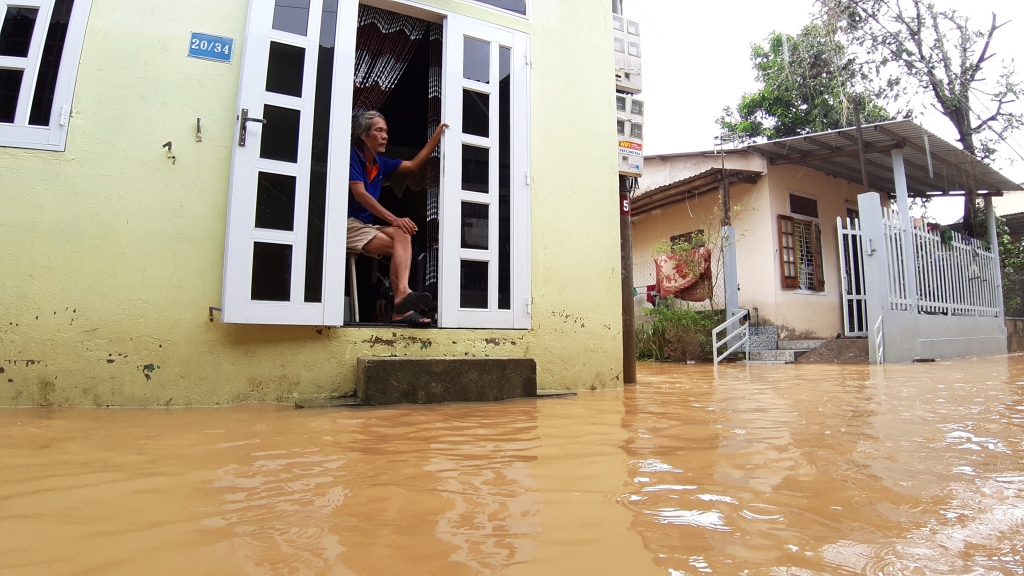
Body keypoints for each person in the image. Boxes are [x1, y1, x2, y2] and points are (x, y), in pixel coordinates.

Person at [348, 110, 448, 327]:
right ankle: (402, 304)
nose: (384, 136)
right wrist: (393, 218)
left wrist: (438, 135)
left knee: (403, 234)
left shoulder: (380, 163)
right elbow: (360, 194)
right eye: (379, 131)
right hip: (345, 225)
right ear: (363, 135)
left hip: (364, 226)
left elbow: (413, 166)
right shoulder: (352, 157)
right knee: (399, 235)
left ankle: (402, 298)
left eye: (386, 131)